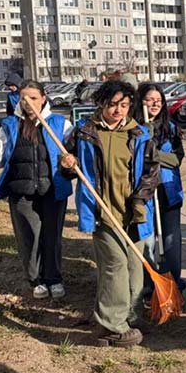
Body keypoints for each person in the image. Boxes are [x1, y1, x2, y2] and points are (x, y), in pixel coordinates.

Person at [60, 80, 159, 348]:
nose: (118, 110)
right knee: (114, 266)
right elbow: (67, 168)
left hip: (135, 213)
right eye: (113, 104)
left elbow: (152, 171)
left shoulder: (139, 133)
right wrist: (67, 164)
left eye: (124, 105)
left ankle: (129, 317)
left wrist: (140, 200)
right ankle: (111, 326)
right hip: (102, 212)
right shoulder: (85, 132)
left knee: (134, 268)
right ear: (101, 103)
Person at [0, 80, 73, 299]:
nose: (28, 102)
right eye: (24, 98)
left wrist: (70, 161)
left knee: (52, 236)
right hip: (21, 190)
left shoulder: (60, 124)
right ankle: (36, 280)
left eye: (33, 98)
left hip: (53, 189)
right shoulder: (11, 124)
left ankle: (54, 278)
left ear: (43, 99)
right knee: (30, 237)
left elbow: (73, 153)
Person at [133, 83, 186, 294]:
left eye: (158, 100)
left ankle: (173, 283)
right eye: (149, 100)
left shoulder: (170, 128)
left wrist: (153, 154)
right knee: (147, 241)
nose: (154, 104)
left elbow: (176, 159)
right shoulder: (134, 128)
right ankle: (148, 284)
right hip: (145, 192)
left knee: (171, 240)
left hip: (168, 190)